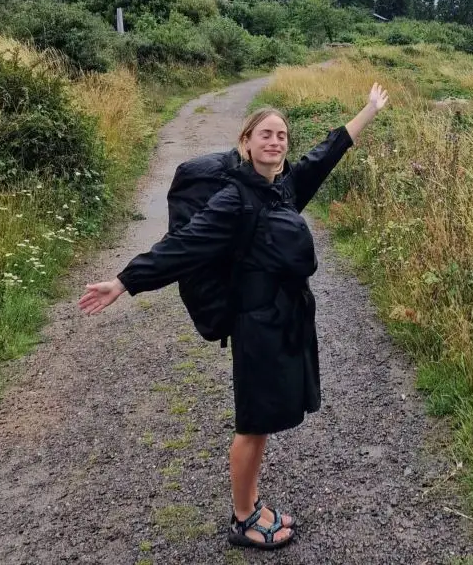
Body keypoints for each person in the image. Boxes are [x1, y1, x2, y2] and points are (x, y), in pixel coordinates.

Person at [78, 84, 389, 551]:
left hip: (283, 318)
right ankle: (244, 518)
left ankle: (251, 504)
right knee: (253, 422)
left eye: (282, 135)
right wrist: (124, 282)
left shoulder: (284, 186)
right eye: (265, 134)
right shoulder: (232, 200)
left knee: (262, 419)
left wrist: (368, 110)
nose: (276, 141)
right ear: (246, 143)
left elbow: (327, 153)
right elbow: (181, 248)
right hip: (255, 323)